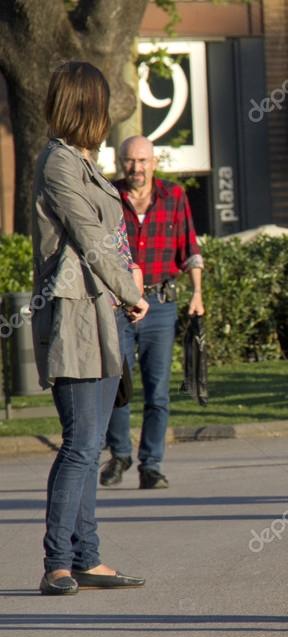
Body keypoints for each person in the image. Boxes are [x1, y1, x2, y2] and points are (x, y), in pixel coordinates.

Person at [33, 62, 150, 595]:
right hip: (79, 315)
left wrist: (126, 289)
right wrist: (132, 290)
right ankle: (58, 562)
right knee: (80, 444)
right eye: (103, 104)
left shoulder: (86, 163)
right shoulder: (59, 164)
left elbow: (113, 239)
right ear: (87, 106)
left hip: (106, 312)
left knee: (92, 441)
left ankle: (88, 556)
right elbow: (91, 237)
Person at [99, 136, 204, 490]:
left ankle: (152, 464)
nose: (136, 168)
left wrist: (198, 293)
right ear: (121, 163)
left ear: (154, 163)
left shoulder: (174, 196)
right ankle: (120, 455)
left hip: (160, 305)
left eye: (142, 161)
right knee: (118, 384)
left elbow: (190, 247)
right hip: (119, 306)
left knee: (158, 391)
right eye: (130, 161)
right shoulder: (108, 196)